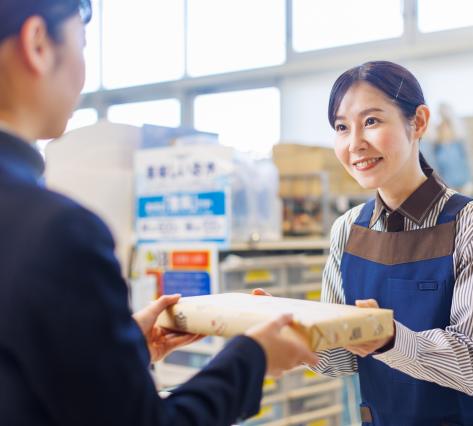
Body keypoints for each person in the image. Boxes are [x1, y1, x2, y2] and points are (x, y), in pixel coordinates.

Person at [0, 1, 318, 425]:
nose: (82, 70)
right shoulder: (58, 232)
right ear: (38, 44)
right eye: (82, 43)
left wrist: (121, 348)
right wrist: (253, 359)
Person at [311, 61, 473, 425]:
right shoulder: (347, 230)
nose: (355, 143)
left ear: (418, 122)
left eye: (371, 121)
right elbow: (343, 360)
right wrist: (296, 337)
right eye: (341, 127)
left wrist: (389, 338)